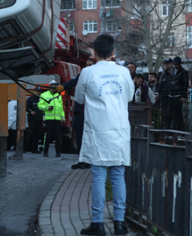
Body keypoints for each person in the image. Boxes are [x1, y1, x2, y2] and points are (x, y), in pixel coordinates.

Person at [74, 34, 133, 236]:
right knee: (118, 176)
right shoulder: (124, 72)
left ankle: (97, 223)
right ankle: (119, 224)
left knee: (98, 177)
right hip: (119, 131)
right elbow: (130, 96)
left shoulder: (87, 73)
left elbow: (79, 98)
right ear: (113, 52)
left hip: (97, 131)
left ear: (95, 52)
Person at [59, 57, 95, 169]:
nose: (88, 67)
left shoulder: (96, 76)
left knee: (89, 137)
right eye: (87, 64)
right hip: (79, 110)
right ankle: (81, 159)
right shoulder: (82, 75)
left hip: (90, 111)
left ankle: (89, 160)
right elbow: (72, 82)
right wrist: (61, 87)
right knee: (79, 136)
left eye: (90, 65)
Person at [37, 80, 65, 158]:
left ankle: (58, 152)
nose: (54, 86)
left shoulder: (59, 96)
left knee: (58, 136)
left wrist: (63, 118)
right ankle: (45, 151)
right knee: (47, 136)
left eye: (55, 85)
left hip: (58, 119)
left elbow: (61, 108)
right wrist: (47, 108)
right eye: (52, 85)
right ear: (49, 86)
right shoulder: (44, 95)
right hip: (49, 119)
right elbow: (39, 105)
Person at [166, 56, 188, 131]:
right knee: (170, 114)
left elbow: (185, 84)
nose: (176, 66)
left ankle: (180, 130)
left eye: (178, 64)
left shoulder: (183, 72)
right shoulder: (172, 70)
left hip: (178, 94)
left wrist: (183, 96)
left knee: (178, 114)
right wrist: (169, 92)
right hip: (172, 94)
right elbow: (169, 82)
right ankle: (171, 130)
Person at [25, 86, 44, 154]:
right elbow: (26, 106)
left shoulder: (42, 99)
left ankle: (34, 149)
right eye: (37, 91)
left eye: (39, 92)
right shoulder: (31, 99)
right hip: (32, 119)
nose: (38, 93)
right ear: (35, 91)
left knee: (37, 135)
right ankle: (25, 148)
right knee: (30, 134)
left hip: (39, 119)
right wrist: (30, 111)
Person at [156, 59, 174, 128]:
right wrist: (157, 93)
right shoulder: (163, 75)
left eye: (168, 63)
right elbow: (160, 86)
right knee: (165, 114)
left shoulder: (175, 73)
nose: (167, 65)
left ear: (172, 64)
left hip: (173, 97)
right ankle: (167, 129)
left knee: (174, 115)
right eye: (166, 63)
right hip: (164, 98)